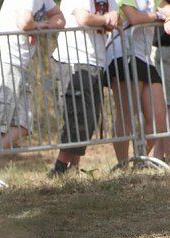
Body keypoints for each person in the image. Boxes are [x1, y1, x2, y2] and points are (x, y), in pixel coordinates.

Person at [0, 0, 65, 172]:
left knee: (23, 124)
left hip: (19, 65)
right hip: (4, 60)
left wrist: (42, 25)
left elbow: (60, 18)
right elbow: (24, 22)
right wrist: (40, 24)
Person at [48, 0, 119, 177]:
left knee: (91, 117)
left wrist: (108, 19)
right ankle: (61, 167)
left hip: (97, 61)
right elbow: (83, 18)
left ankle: (72, 168)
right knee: (78, 116)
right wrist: (105, 19)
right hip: (73, 59)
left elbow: (115, 19)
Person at [104, 0, 170, 167]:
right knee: (127, 114)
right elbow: (133, 17)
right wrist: (159, 15)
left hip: (144, 58)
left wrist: (169, 17)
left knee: (158, 116)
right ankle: (122, 164)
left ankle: (141, 160)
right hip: (124, 54)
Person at [151, 1, 170, 166]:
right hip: (167, 50)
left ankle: (158, 155)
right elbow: (165, 8)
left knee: (168, 106)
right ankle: (169, 156)